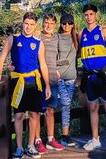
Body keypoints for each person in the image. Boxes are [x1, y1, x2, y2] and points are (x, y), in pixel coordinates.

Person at [0, 12, 52, 159]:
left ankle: (30, 146)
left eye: (32, 24)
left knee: (34, 114)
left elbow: (43, 65)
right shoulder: (14, 39)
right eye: (26, 23)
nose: (28, 27)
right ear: (22, 23)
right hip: (18, 82)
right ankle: (19, 148)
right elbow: (2, 57)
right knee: (18, 115)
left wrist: (48, 85)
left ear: (35, 25)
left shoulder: (38, 43)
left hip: (34, 82)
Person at [78, 4, 106, 152]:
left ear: (96, 15)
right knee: (93, 108)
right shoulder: (81, 33)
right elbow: (76, 53)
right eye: (86, 14)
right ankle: (95, 139)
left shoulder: (103, 31)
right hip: (89, 77)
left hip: (103, 76)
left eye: (91, 14)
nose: (88, 17)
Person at [37, 12, 64, 152]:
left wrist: (59, 69)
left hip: (53, 79)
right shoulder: (37, 37)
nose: (48, 25)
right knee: (35, 112)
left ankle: (50, 139)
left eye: (51, 23)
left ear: (55, 25)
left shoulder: (57, 38)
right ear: (43, 23)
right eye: (46, 22)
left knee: (50, 111)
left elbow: (67, 49)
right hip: (37, 80)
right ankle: (37, 140)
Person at [56, 12, 78, 147]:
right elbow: (51, 55)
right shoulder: (56, 37)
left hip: (72, 77)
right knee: (65, 102)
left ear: (73, 24)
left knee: (66, 106)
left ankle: (65, 135)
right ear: (60, 24)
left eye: (70, 23)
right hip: (59, 77)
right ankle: (60, 135)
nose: (67, 25)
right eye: (64, 23)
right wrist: (56, 68)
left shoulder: (76, 37)